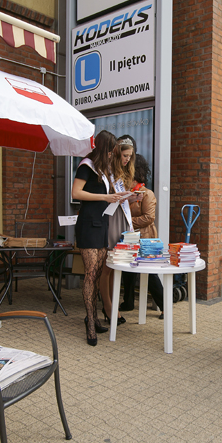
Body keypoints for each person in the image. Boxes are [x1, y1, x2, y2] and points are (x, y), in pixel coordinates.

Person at [71, 130, 124, 346]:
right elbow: (76, 193)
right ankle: (91, 323)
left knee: (98, 273)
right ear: (104, 149)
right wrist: (105, 196)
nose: (112, 155)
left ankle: (92, 316)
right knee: (91, 274)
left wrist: (120, 197)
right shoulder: (86, 166)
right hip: (88, 225)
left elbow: (104, 198)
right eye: (111, 151)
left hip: (102, 224)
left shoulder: (103, 169)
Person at [99, 135, 137, 325]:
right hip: (110, 219)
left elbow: (121, 198)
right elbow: (104, 198)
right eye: (125, 155)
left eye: (130, 156)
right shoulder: (107, 172)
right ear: (116, 154)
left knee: (117, 267)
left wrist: (132, 197)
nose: (127, 159)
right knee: (107, 266)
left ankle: (113, 306)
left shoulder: (123, 172)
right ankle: (107, 307)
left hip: (122, 218)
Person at [121, 154, 165, 319]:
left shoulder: (147, 194)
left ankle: (165, 307)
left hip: (146, 239)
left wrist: (127, 221)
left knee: (150, 273)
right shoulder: (128, 193)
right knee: (127, 271)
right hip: (129, 237)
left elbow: (149, 218)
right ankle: (128, 302)